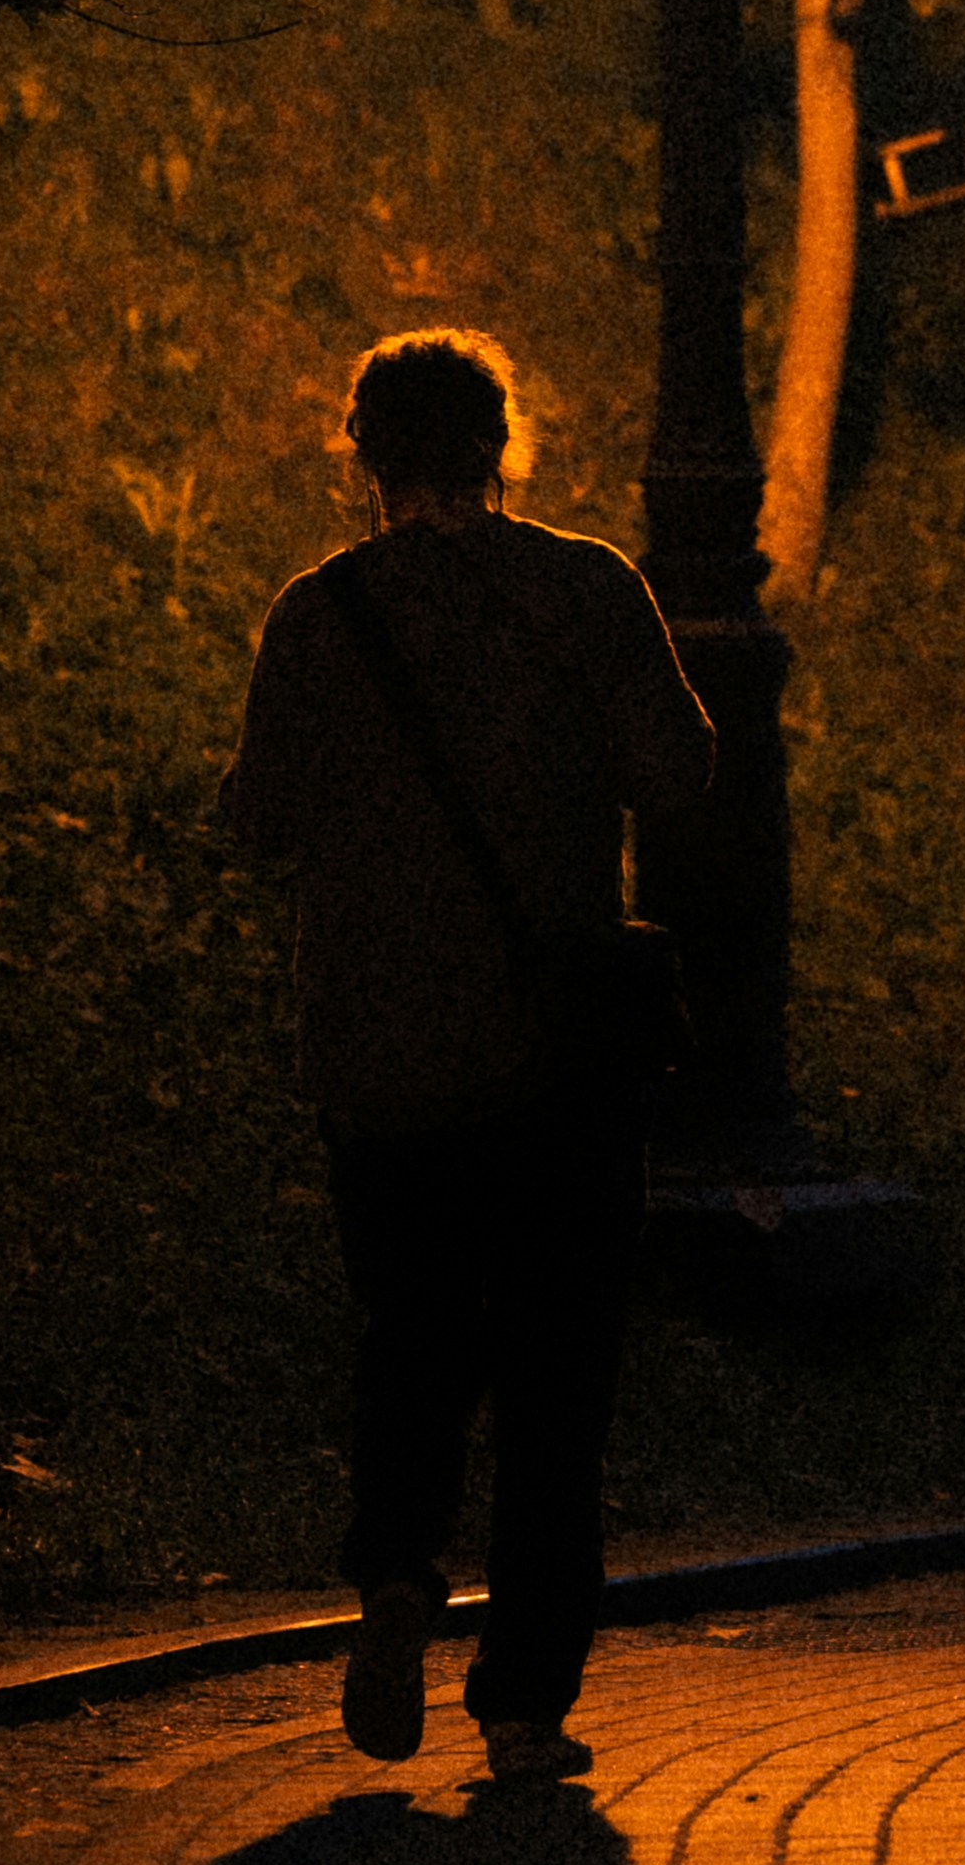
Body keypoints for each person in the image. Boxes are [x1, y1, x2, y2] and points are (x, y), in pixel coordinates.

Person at [222, 329, 714, 1778]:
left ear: (363, 454)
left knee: (411, 1335)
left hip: (378, 1053)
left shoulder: (318, 618)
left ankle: (393, 1579)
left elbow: (256, 821)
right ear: (504, 443)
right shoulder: (579, 588)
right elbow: (679, 767)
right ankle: (519, 1705)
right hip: (553, 1052)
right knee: (558, 1373)